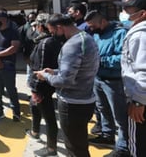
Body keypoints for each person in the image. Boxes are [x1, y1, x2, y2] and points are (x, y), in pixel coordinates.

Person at [35, 14, 99, 157]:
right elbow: (80, 69)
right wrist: (55, 71)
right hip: (86, 100)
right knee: (80, 144)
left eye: (52, 32)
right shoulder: (86, 38)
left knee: (74, 148)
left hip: (72, 104)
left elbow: (64, 81)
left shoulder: (71, 45)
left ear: (60, 27)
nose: (52, 35)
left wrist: (45, 76)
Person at [84, 10, 130, 157]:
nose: (91, 29)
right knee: (103, 109)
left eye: (92, 26)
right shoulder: (96, 34)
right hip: (98, 79)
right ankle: (107, 135)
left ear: (102, 21)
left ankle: (124, 147)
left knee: (120, 116)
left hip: (114, 82)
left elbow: (123, 58)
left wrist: (101, 61)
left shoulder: (120, 33)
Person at [26, 13, 62, 157]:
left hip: (43, 84)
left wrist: (36, 89)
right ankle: (35, 132)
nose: (35, 28)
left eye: (36, 26)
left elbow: (40, 67)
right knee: (34, 106)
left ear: (42, 26)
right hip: (46, 82)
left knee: (48, 116)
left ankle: (51, 149)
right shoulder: (49, 41)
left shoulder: (45, 43)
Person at [116, 0, 146, 157]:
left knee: (138, 146)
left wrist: (138, 102)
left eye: (129, 10)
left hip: (140, 102)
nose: (125, 15)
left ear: (142, 14)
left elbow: (143, 71)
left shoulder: (140, 34)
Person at [0, 10, 21, 122]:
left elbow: (14, 47)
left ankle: (16, 113)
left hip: (8, 65)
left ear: (5, 19)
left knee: (11, 90)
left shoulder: (13, 31)